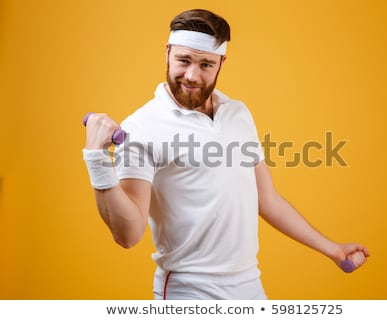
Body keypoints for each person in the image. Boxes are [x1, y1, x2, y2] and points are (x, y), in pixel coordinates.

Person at [82, 9, 370, 300]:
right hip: (189, 293)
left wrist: (332, 249)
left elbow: (266, 198)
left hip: (249, 288)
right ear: (167, 52)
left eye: (206, 64)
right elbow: (128, 235)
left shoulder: (237, 113)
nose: (192, 76)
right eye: (183, 60)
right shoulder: (142, 127)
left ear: (221, 63)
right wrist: (96, 159)